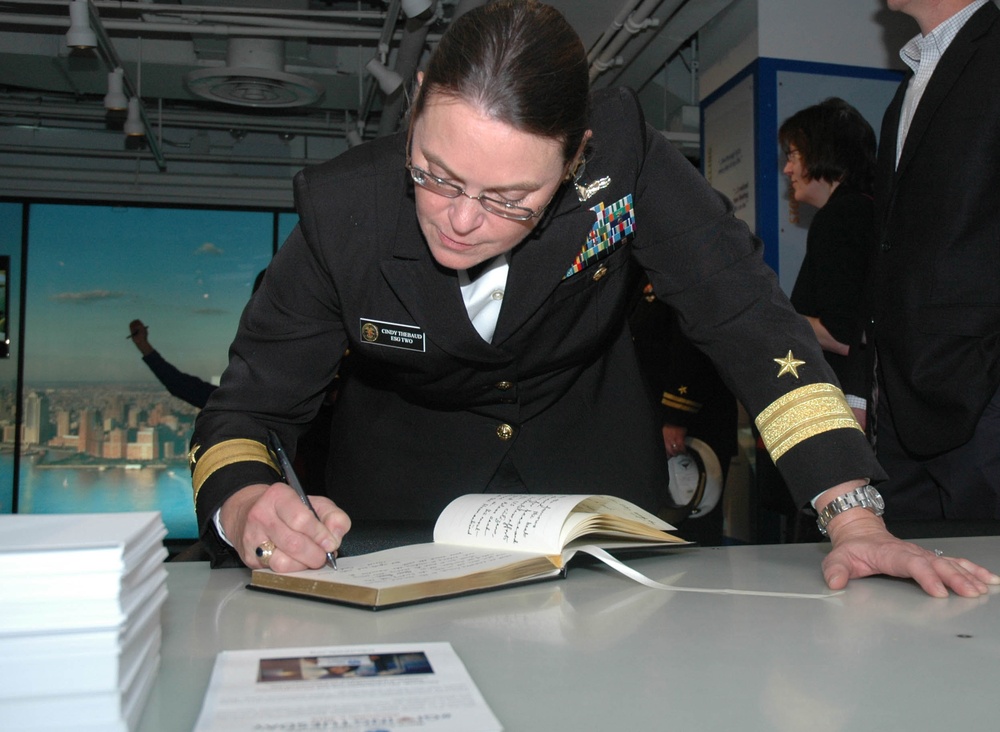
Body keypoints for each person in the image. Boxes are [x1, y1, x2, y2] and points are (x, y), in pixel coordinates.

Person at [189, 0, 997, 597]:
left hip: (601, 517)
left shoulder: (622, 158)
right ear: (420, 98)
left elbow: (749, 320)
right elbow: (244, 413)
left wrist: (853, 514)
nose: (462, 220)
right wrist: (248, 504)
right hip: (399, 527)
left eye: (511, 198)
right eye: (436, 174)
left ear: (575, 158)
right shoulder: (346, 214)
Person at [865, 0, 1000, 523]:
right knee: (913, 589)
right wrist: (863, 383)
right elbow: (885, 249)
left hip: (982, 391)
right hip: (901, 396)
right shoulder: (907, 90)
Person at [779, 97, 876, 428]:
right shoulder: (868, 209)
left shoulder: (841, 216)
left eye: (793, 155)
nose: (787, 169)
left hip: (848, 405)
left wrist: (771, 316)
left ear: (823, 152)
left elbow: (844, 334)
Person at [629, 280, 738, 545]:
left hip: (694, 422)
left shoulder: (687, 269)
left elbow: (691, 344)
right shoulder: (638, 272)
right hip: (653, 417)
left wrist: (676, 416)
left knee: (692, 529)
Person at [127, 319, 216, 409]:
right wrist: (143, 345)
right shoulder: (226, 400)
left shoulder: (227, 401)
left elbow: (180, 386)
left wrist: (143, 345)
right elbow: (180, 385)